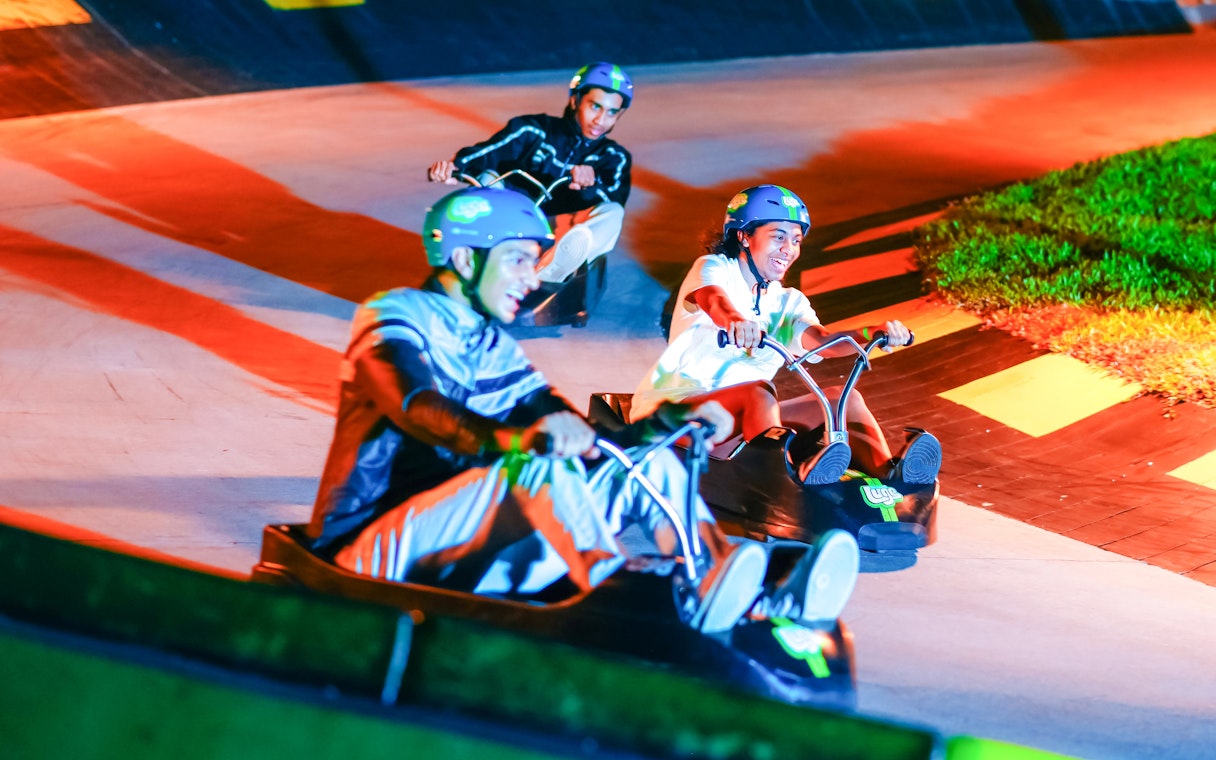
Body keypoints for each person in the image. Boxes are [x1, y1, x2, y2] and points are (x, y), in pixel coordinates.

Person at [305, 185, 860, 634]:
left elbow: (559, 419)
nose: (533, 277)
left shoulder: (491, 343)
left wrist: (664, 428)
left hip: (465, 531)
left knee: (651, 464)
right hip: (377, 543)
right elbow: (414, 404)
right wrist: (517, 443)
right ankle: (618, 590)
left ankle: (736, 591)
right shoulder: (394, 314)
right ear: (462, 259)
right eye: (519, 260)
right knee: (540, 465)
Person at [631, 184, 942, 487]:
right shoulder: (714, 268)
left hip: (745, 426)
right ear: (744, 236)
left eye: (795, 240)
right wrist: (736, 322)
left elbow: (822, 342)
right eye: (778, 237)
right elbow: (715, 301)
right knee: (758, 392)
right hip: (675, 416)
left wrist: (873, 332)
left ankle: (892, 478)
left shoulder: (787, 301)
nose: (788, 249)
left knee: (842, 400)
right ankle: (783, 481)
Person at [426, 62, 633, 288]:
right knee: (487, 178)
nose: (601, 121)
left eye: (612, 112)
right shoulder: (532, 130)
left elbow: (614, 195)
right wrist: (455, 168)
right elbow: (486, 153)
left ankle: (546, 274)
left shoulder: (613, 157)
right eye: (595, 106)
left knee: (613, 212)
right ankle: (484, 262)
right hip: (513, 223)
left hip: (560, 231)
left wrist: (590, 186)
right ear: (575, 100)